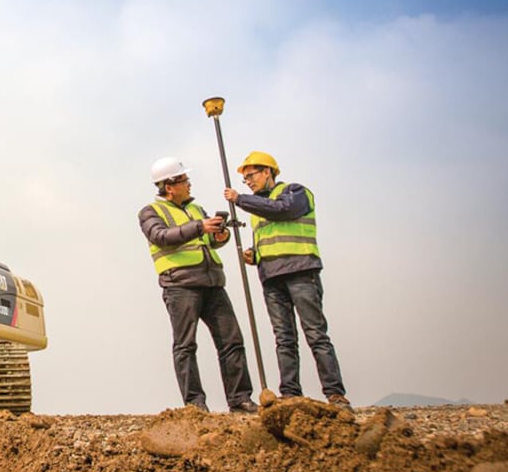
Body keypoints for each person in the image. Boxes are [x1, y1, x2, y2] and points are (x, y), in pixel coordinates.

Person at [224, 151, 351, 410]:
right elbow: (271, 238)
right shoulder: (257, 206)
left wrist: (240, 199)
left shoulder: (296, 192)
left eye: (251, 175)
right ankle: (290, 393)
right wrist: (254, 254)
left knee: (315, 333)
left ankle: (335, 394)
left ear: (267, 171)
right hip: (272, 277)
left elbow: (283, 210)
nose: (248, 182)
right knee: (284, 338)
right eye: (245, 179)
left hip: (301, 272)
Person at [139, 157, 258, 414]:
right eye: (184, 180)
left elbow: (208, 242)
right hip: (180, 285)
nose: (189, 184)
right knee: (185, 345)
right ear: (169, 186)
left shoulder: (196, 209)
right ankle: (195, 404)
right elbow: (161, 237)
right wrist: (199, 226)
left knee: (232, 341)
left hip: (212, 282)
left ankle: (240, 399)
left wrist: (219, 236)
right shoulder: (150, 212)